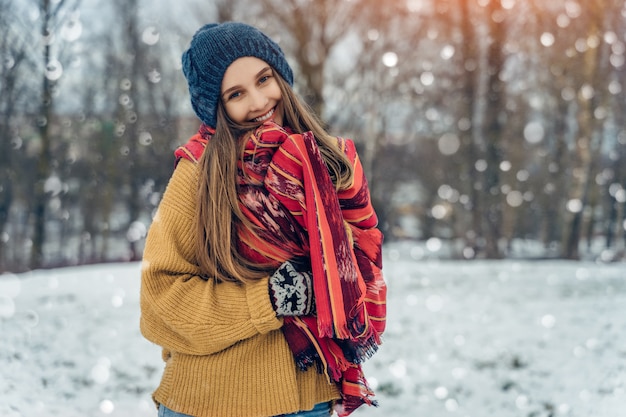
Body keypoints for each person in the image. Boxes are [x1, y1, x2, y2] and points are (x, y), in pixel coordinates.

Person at [139, 22, 387, 417]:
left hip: (310, 398)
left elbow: (359, 268)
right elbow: (159, 307)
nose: (257, 101)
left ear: (281, 76)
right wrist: (270, 299)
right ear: (216, 108)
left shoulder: (326, 163)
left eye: (263, 79)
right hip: (209, 401)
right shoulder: (200, 172)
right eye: (236, 93)